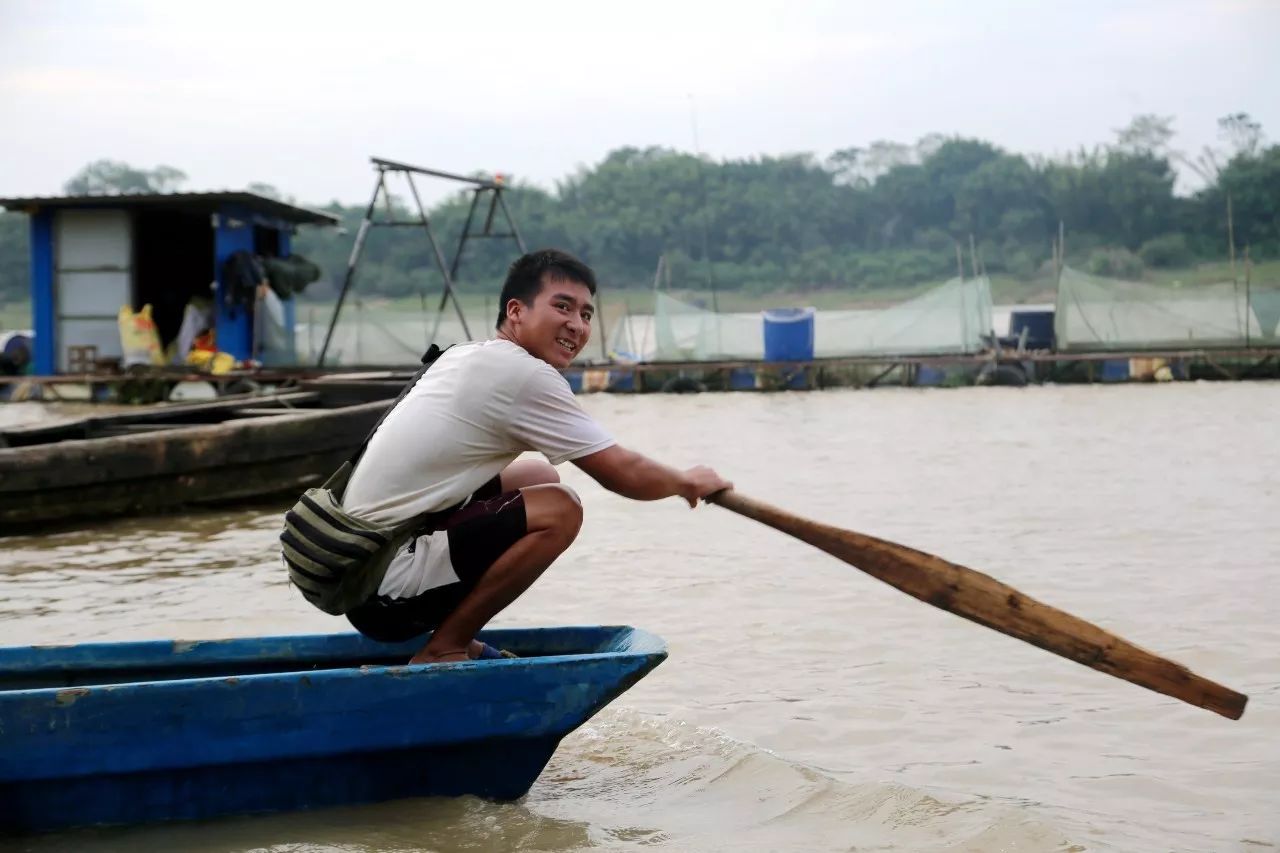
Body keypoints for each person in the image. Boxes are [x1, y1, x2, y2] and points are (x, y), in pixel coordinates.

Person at [340, 249, 731, 664]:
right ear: (516, 311)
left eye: (585, 314)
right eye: (562, 307)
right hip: (383, 592)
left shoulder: (468, 354)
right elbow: (621, 473)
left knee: (537, 472)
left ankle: (455, 635)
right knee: (561, 509)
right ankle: (446, 647)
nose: (576, 325)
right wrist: (685, 481)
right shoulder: (523, 374)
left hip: (357, 572)